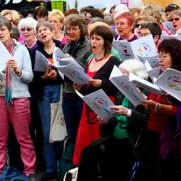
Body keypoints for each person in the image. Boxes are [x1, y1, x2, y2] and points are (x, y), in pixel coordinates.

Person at [77, 60, 149, 181]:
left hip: (131, 140)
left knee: (114, 160)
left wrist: (128, 112)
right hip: (113, 136)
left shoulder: (145, 94)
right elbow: (113, 116)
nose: (120, 79)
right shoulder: (121, 93)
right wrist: (105, 117)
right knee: (88, 153)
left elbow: (146, 120)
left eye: (123, 75)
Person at [0, 17, 36, 178]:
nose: (0, 33)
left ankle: (30, 170)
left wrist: (18, 71)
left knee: (24, 138)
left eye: (3, 30)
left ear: (10, 30)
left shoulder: (21, 49)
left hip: (18, 97)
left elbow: (29, 77)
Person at [139, 39, 181, 181]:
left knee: (165, 173)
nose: (160, 60)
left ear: (175, 56)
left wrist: (158, 107)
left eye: (165, 56)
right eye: (159, 56)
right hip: (152, 132)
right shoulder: (159, 74)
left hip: (170, 136)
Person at [73, 25, 120, 166]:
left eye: (97, 39)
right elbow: (86, 85)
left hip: (103, 107)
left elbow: (118, 87)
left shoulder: (114, 61)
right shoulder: (90, 60)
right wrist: (79, 87)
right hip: (87, 108)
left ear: (106, 42)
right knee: (85, 142)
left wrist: (101, 84)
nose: (93, 42)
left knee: (100, 143)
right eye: (92, 38)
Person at [30, 21, 63, 180]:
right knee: (47, 131)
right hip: (43, 92)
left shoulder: (61, 49)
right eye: (39, 31)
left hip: (60, 90)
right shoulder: (35, 52)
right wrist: (44, 77)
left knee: (61, 128)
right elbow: (32, 77)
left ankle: (61, 164)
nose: (42, 33)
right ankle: (50, 168)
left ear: (52, 31)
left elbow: (69, 71)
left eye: (45, 30)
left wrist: (58, 75)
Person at [62, 14, 91, 142]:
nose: (70, 32)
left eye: (74, 28)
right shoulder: (67, 46)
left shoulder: (88, 46)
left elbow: (87, 69)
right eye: (68, 29)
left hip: (81, 95)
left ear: (82, 29)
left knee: (82, 133)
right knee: (71, 133)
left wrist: (70, 59)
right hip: (67, 93)